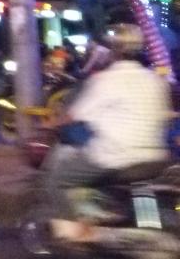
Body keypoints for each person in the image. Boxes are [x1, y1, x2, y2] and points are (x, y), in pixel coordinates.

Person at [45, 24, 171, 242]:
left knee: (57, 180)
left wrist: (50, 124)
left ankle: (76, 235)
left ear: (113, 52)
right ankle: (133, 223)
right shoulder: (154, 80)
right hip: (155, 157)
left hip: (117, 157)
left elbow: (75, 115)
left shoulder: (105, 80)